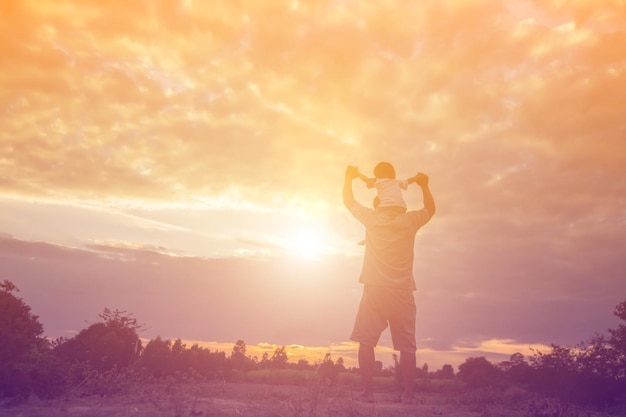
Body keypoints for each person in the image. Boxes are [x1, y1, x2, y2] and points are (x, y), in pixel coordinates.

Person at [343, 164, 435, 403]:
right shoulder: (409, 221)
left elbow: (348, 201)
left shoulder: (372, 219)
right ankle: (409, 395)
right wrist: (424, 185)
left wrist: (349, 178)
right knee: (407, 346)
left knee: (366, 341)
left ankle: (368, 393)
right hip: (402, 291)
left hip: (374, 289)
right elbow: (430, 209)